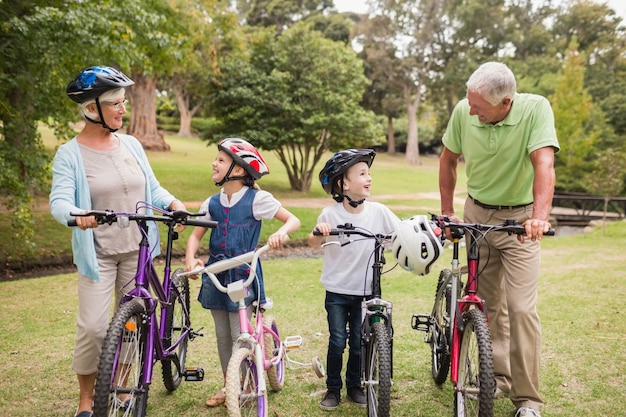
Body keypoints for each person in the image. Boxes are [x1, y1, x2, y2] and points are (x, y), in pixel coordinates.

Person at [49, 66, 187, 417]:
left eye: (123, 102)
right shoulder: (70, 154)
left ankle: (124, 387)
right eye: (115, 103)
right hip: (99, 253)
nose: (123, 109)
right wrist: (76, 214)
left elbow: (150, 187)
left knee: (131, 326)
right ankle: (86, 399)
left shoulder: (131, 144)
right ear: (92, 109)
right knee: (94, 328)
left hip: (137, 249)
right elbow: (60, 201)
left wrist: (173, 204)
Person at [438, 61, 559, 417]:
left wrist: (539, 216)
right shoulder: (465, 110)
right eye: (469, 102)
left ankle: (528, 400)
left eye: (479, 106)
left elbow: (543, 165)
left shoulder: (535, 109)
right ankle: (498, 377)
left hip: (521, 223)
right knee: (486, 304)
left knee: (521, 308)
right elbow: (448, 161)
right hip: (477, 215)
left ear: (505, 102)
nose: (470, 110)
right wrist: (448, 211)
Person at [184, 137, 300, 407]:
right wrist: (191, 260)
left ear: (237, 170)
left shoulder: (257, 199)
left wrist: (280, 233)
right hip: (216, 274)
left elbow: (292, 220)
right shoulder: (211, 203)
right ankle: (229, 384)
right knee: (223, 335)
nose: (214, 163)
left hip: (242, 274)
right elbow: (195, 237)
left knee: (240, 334)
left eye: (221, 160)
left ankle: (247, 383)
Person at [308, 149, 401, 411]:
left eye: (369, 173)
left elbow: (401, 233)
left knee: (361, 344)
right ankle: (333, 389)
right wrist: (320, 231)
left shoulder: (379, 212)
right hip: (337, 291)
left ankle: (355, 386)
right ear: (343, 184)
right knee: (337, 341)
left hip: (367, 291)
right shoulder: (330, 214)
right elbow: (313, 241)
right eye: (362, 174)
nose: (369, 178)